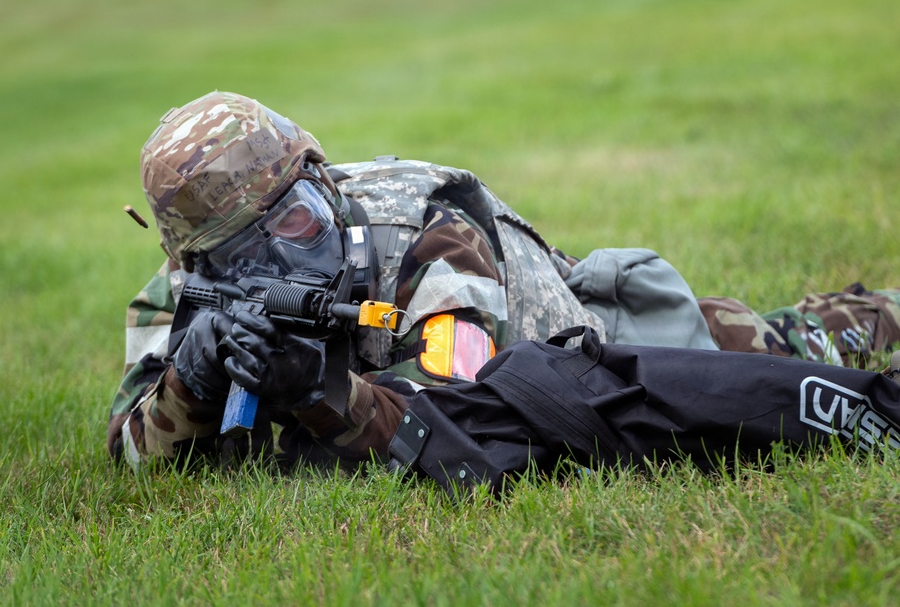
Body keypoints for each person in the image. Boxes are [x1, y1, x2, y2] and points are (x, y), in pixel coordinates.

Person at [107, 91, 900, 470]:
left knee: (789, 343)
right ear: (202, 263)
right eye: (253, 251)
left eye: (301, 218)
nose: (287, 257)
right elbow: (128, 461)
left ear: (322, 179)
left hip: (589, 348)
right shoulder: (184, 300)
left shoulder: (427, 236)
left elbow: (468, 418)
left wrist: (320, 386)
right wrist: (191, 382)